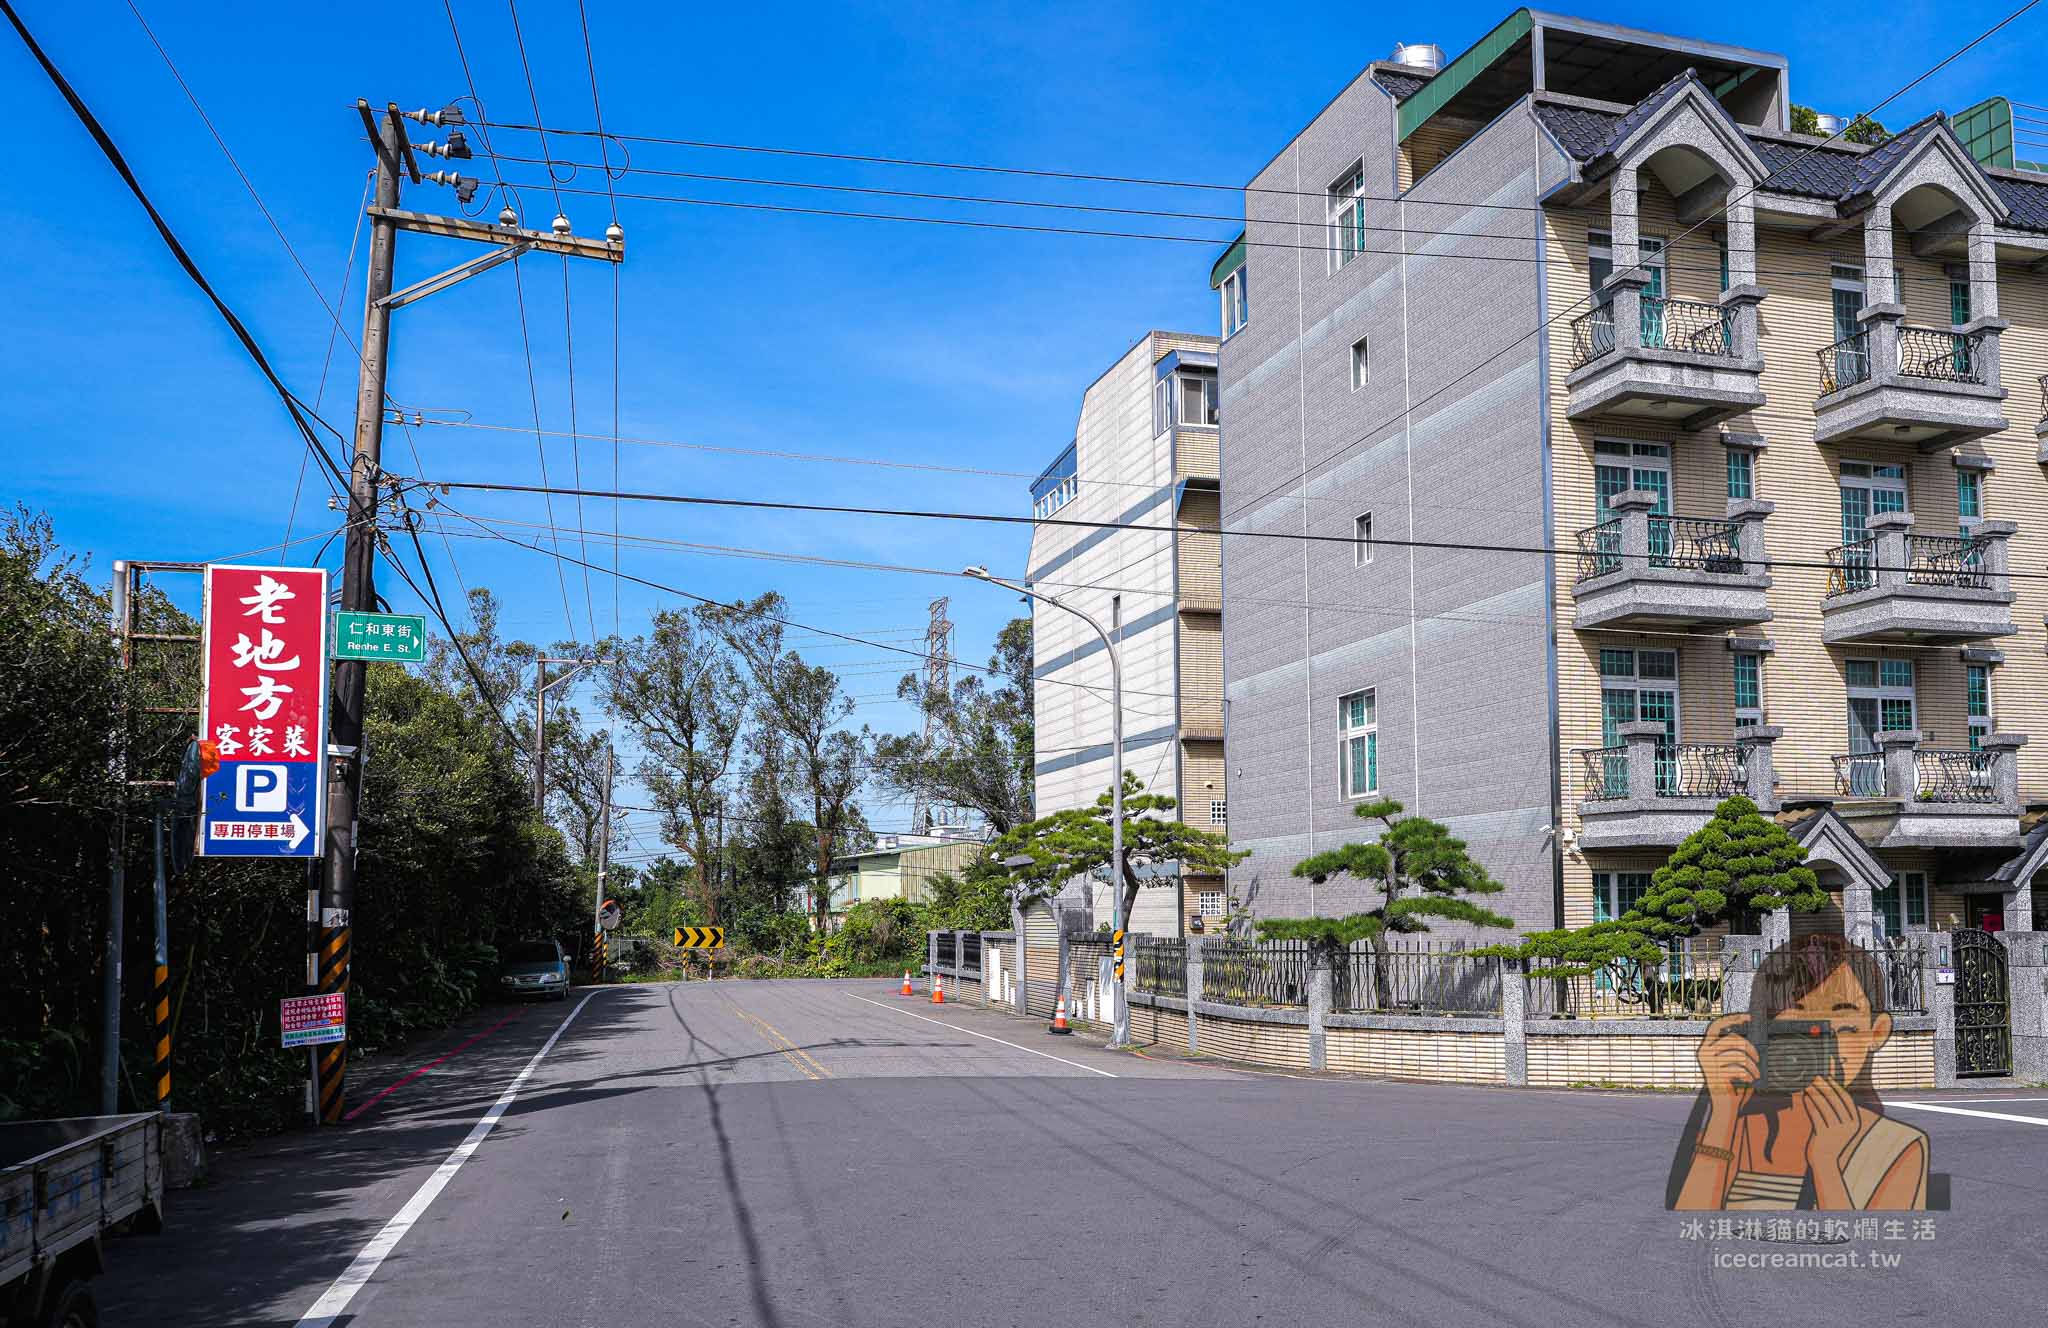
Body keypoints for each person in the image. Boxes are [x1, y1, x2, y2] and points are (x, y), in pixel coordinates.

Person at [1668, 934, 1928, 1210]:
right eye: (1803, 1024)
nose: (1822, 1044)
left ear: (1877, 1031)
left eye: (1843, 1026)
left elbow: (1858, 1242)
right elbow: (1691, 1220)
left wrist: (1826, 1163)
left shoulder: (1899, 1146)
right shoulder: (1735, 1124)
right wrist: (1723, 1112)